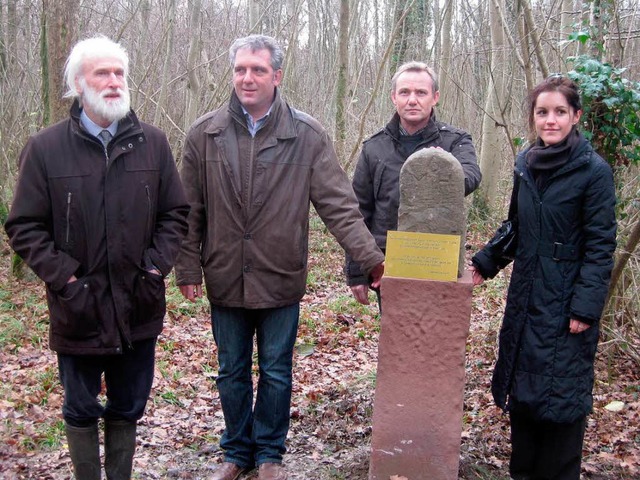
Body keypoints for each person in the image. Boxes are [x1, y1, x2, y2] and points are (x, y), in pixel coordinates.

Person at [174, 34, 384, 480]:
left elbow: (338, 204)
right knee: (230, 371)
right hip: (225, 275)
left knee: (275, 371)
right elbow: (188, 211)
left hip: (280, 275)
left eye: (258, 70)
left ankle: (269, 454)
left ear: (277, 76)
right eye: (240, 70)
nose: (247, 78)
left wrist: (371, 259)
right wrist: (187, 266)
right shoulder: (204, 134)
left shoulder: (304, 135)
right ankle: (236, 452)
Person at [4, 36, 189, 479]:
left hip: (137, 303)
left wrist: (153, 267)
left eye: (119, 73)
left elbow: (175, 214)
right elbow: (24, 225)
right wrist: (66, 279)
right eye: (101, 73)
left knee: (128, 405)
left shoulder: (154, 144)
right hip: (79, 308)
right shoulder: (46, 148)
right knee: (81, 407)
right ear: (78, 84)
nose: (113, 82)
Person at [470, 75, 617, 479]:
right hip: (526, 301)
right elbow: (515, 226)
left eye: (559, 112)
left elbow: (600, 247)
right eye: (542, 112)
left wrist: (585, 309)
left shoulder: (594, 172)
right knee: (525, 398)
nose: (550, 120)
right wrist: (482, 265)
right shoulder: (524, 164)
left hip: (568, 307)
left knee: (562, 402)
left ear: (575, 117)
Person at [345, 61, 481, 305]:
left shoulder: (455, 140)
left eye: (421, 93)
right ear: (393, 97)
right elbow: (358, 212)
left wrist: (441, 165)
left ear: (435, 97)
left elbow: (471, 177)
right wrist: (357, 270)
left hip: (438, 260)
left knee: (436, 336)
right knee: (398, 335)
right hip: (389, 264)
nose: (412, 100)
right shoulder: (374, 147)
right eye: (405, 92)